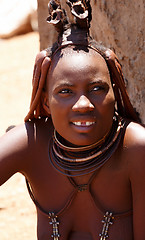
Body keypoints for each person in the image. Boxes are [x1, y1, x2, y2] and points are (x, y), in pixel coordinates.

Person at [0, 0, 145, 239]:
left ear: (115, 92)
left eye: (97, 88)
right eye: (66, 92)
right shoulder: (33, 142)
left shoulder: (135, 149)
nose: (84, 104)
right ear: (46, 102)